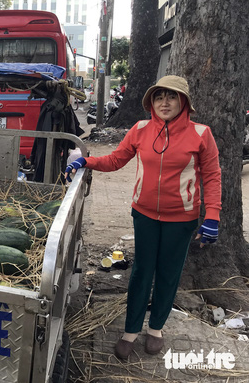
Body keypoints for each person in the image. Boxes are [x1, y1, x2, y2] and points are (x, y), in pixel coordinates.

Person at [65, 75, 221, 360]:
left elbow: (211, 176)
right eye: (159, 96)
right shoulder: (140, 129)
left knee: (168, 274)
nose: (164, 102)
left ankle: (157, 328)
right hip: (144, 214)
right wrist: (85, 161)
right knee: (141, 272)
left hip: (182, 218)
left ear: (183, 102)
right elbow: (115, 160)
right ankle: (131, 330)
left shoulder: (201, 134)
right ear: (151, 102)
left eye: (171, 96)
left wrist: (212, 216)